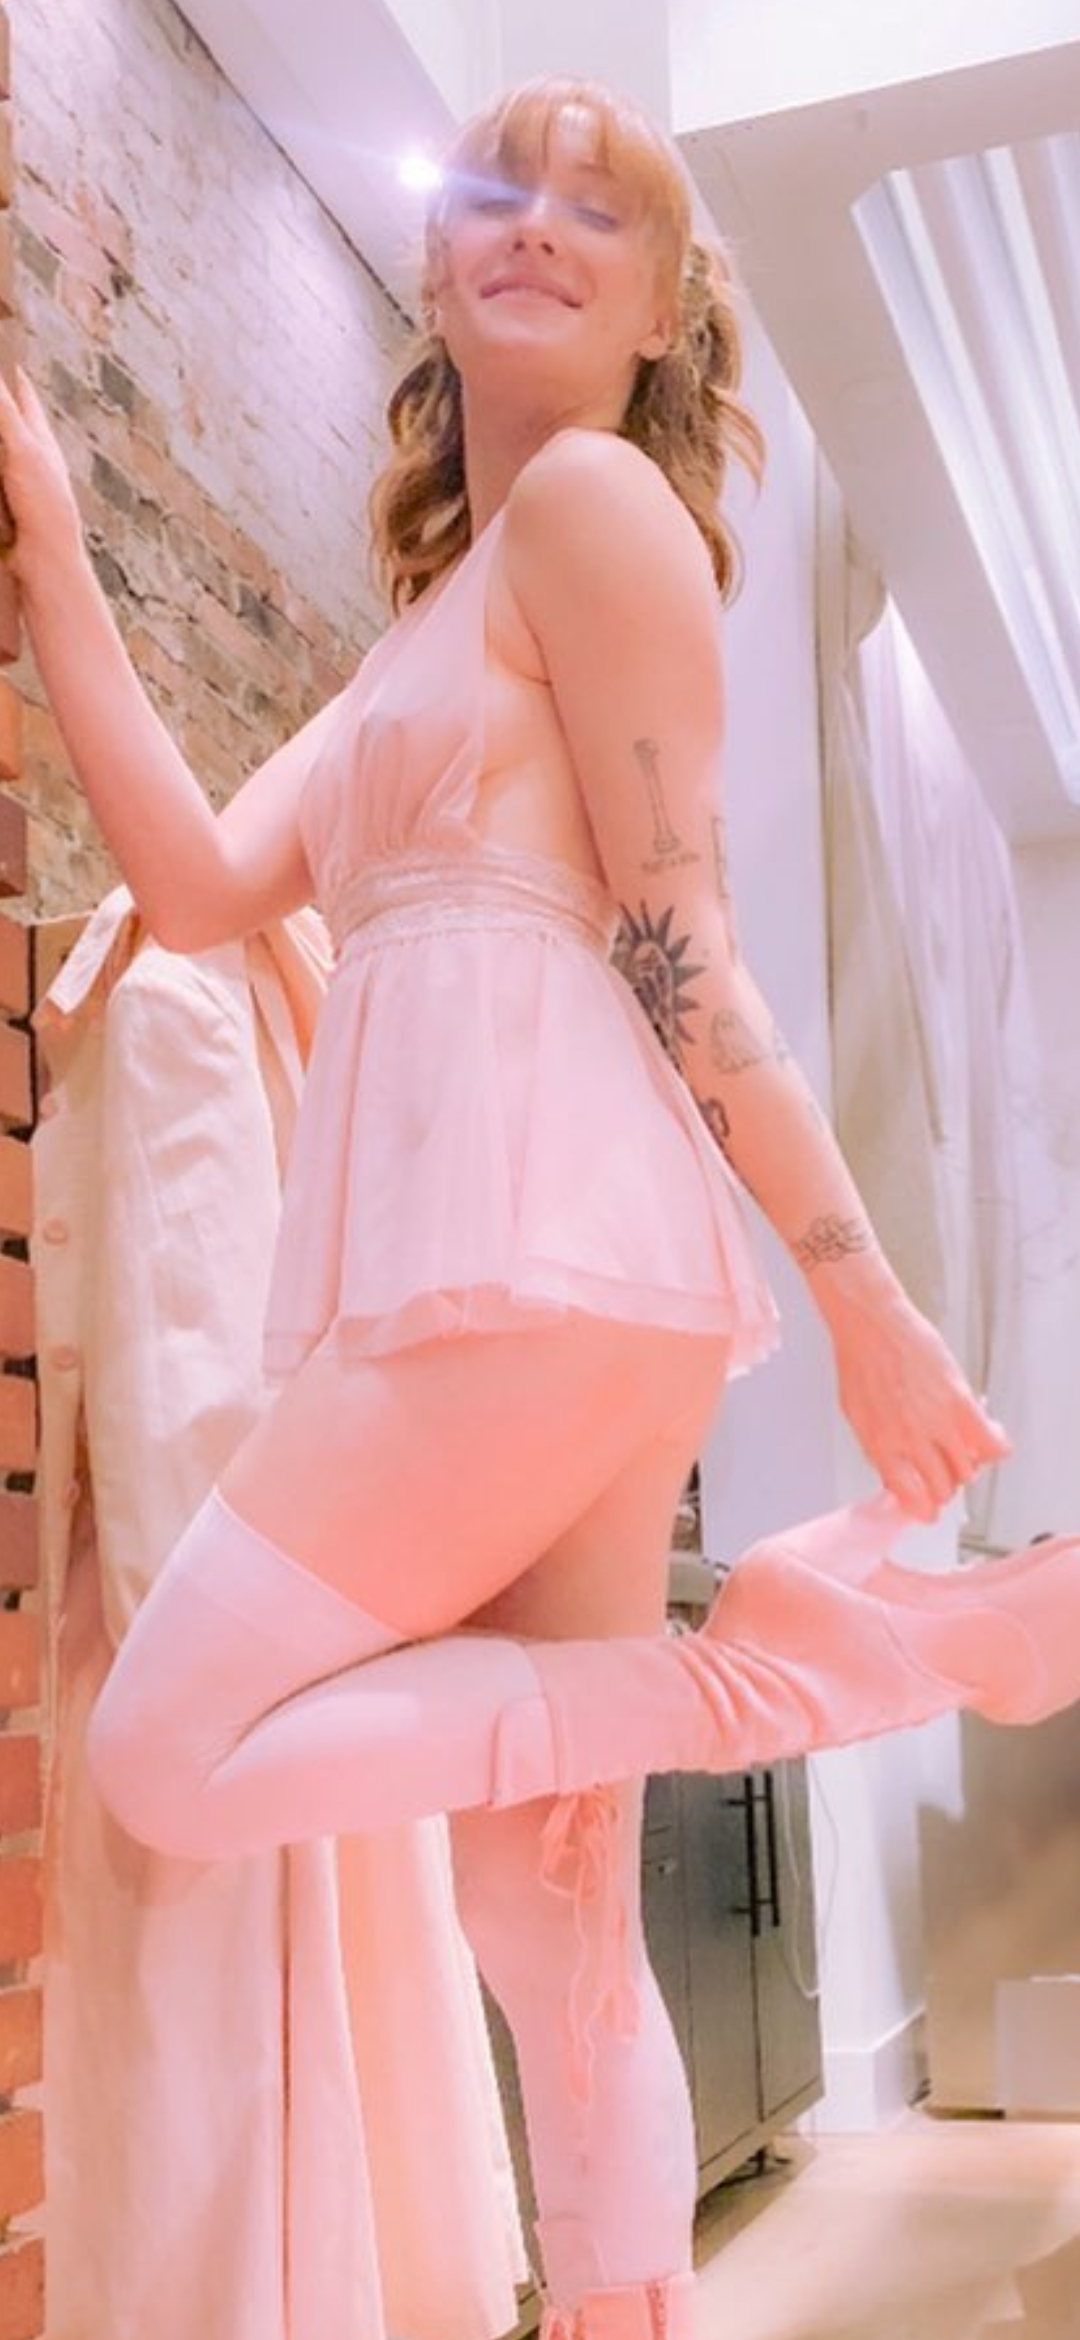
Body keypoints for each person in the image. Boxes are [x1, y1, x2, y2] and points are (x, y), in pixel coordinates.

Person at [4, 71, 1077, 2340]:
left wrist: (867, 1299)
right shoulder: (424, 628)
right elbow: (194, 886)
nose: (539, 223)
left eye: (606, 210)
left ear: (664, 313)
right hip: (534, 1281)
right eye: (500, 188)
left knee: (166, 1754)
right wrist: (59, 548)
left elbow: (684, 940)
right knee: (545, 1908)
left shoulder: (594, 501)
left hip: (528, 1258)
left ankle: (806, 1663)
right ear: (434, 259)